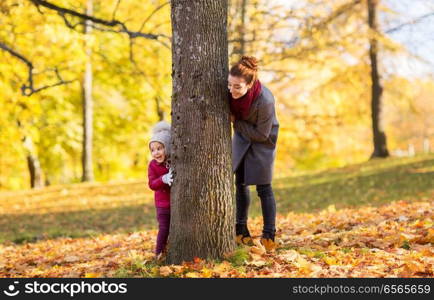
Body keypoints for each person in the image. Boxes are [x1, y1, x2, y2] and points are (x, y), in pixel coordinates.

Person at [228, 56, 279, 252]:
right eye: (229, 84)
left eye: (238, 87)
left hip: (263, 140)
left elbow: (261, 133)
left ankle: (269, 236)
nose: (232, 90)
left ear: (250, 84)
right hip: (242, 137)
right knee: (240, 184)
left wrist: (236, 122)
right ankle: (241, 230)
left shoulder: (265, 100)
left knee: (264, 188)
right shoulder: (231, 91)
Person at [148, 121, 173, 260]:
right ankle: (158, 253)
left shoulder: (173, 161)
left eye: (159, 148)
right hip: (163, 205)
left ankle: (168, 249)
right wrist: (163, 179)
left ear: (167, 148)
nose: (156, 153)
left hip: (176, 204)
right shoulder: (152, 165)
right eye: (153, 150)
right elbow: (152, 184)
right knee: (164, 228)